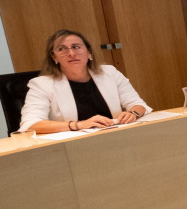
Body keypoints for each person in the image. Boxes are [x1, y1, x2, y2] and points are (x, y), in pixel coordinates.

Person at [19, 29, 151, 133]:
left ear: (89, 52)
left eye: (76, 47)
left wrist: (132, 113)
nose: (71, 53)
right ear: (54, 57)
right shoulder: (42, 84)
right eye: (62, 49)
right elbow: (30, 124)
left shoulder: (109, 72)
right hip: (73, 147)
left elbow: (138, 104)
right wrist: (78, 125)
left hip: (116, 135)